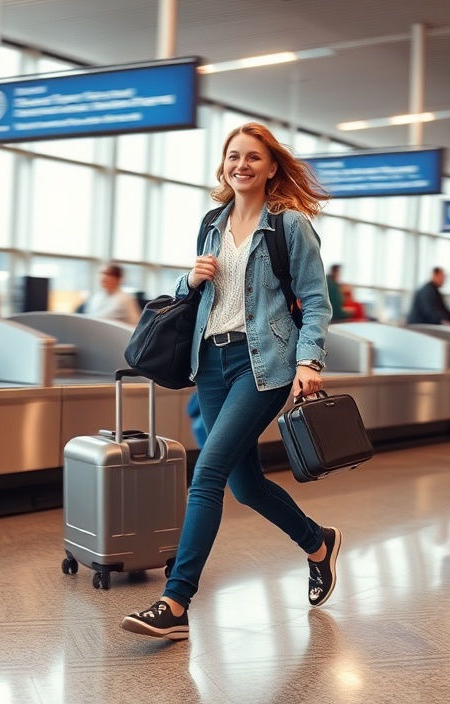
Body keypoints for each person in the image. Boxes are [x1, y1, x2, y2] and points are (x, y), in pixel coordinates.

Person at [120, 122, 335, 642]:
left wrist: (309, 362)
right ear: (224, 165)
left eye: (253, 157)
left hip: (263, 365)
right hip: (210, 364)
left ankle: (176, 602)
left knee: (208, 473)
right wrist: (188, 279)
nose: (242, 165)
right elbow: (192, 294)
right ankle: (319, 543)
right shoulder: (211, 223)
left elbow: (316, 301)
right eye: (234, 156)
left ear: (272, 167)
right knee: (247, 486)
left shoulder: (289, 225)